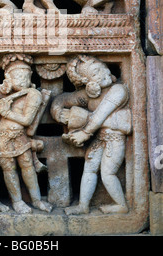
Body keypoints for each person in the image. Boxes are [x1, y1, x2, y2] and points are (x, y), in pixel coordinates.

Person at [0, 54, 53, 214]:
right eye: (17, 77)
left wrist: (6, 112)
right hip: (3, 138)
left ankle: (37, 200)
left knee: (27, 168)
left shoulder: (32, 94)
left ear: (30, 77)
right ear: (9, 79)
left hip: (20, 137)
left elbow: (27, 120)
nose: (21, 80)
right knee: (9, 170)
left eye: (25, 76)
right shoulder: (8, 93)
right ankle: (17, 202)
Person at [50, 55, 131, 214]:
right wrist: (56, 110)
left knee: (108, 173)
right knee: (89, 169)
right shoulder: (88, 97)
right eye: (95, 74)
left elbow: (100, 115)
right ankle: (83, 206)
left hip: (114, 138)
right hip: (99, 138)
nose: (103, 73)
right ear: (88, 83)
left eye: (101, 68)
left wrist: (84, 133)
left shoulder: (118, 90)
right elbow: (64, 99)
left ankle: (122, 205)